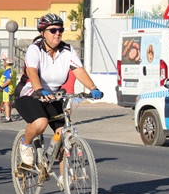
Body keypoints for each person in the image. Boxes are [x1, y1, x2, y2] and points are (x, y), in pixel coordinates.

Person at [14, 13, 103, 166]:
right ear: (43, 33)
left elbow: (78, 70)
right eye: (53, 30)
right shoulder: (35, 49)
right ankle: (26, 143)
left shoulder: (67, 50)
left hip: (53, 96)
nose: (58, 33)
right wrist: (39, 89)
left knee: (64, 134)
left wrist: (93, 88)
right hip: (30, 93)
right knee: (40, 123)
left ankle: (65, 180)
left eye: (60, 30)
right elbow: (32, 72)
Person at [0, 58, 16, 123]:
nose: (3, 63)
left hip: (7, 89)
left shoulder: (8, 70)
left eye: (4, 62)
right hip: (11, 89)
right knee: (9, 104)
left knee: (6, 103)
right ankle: (9, 117)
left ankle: (7, 118)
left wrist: (1, 86)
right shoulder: (11, 70)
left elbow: (8, 80)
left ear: (6, 63)